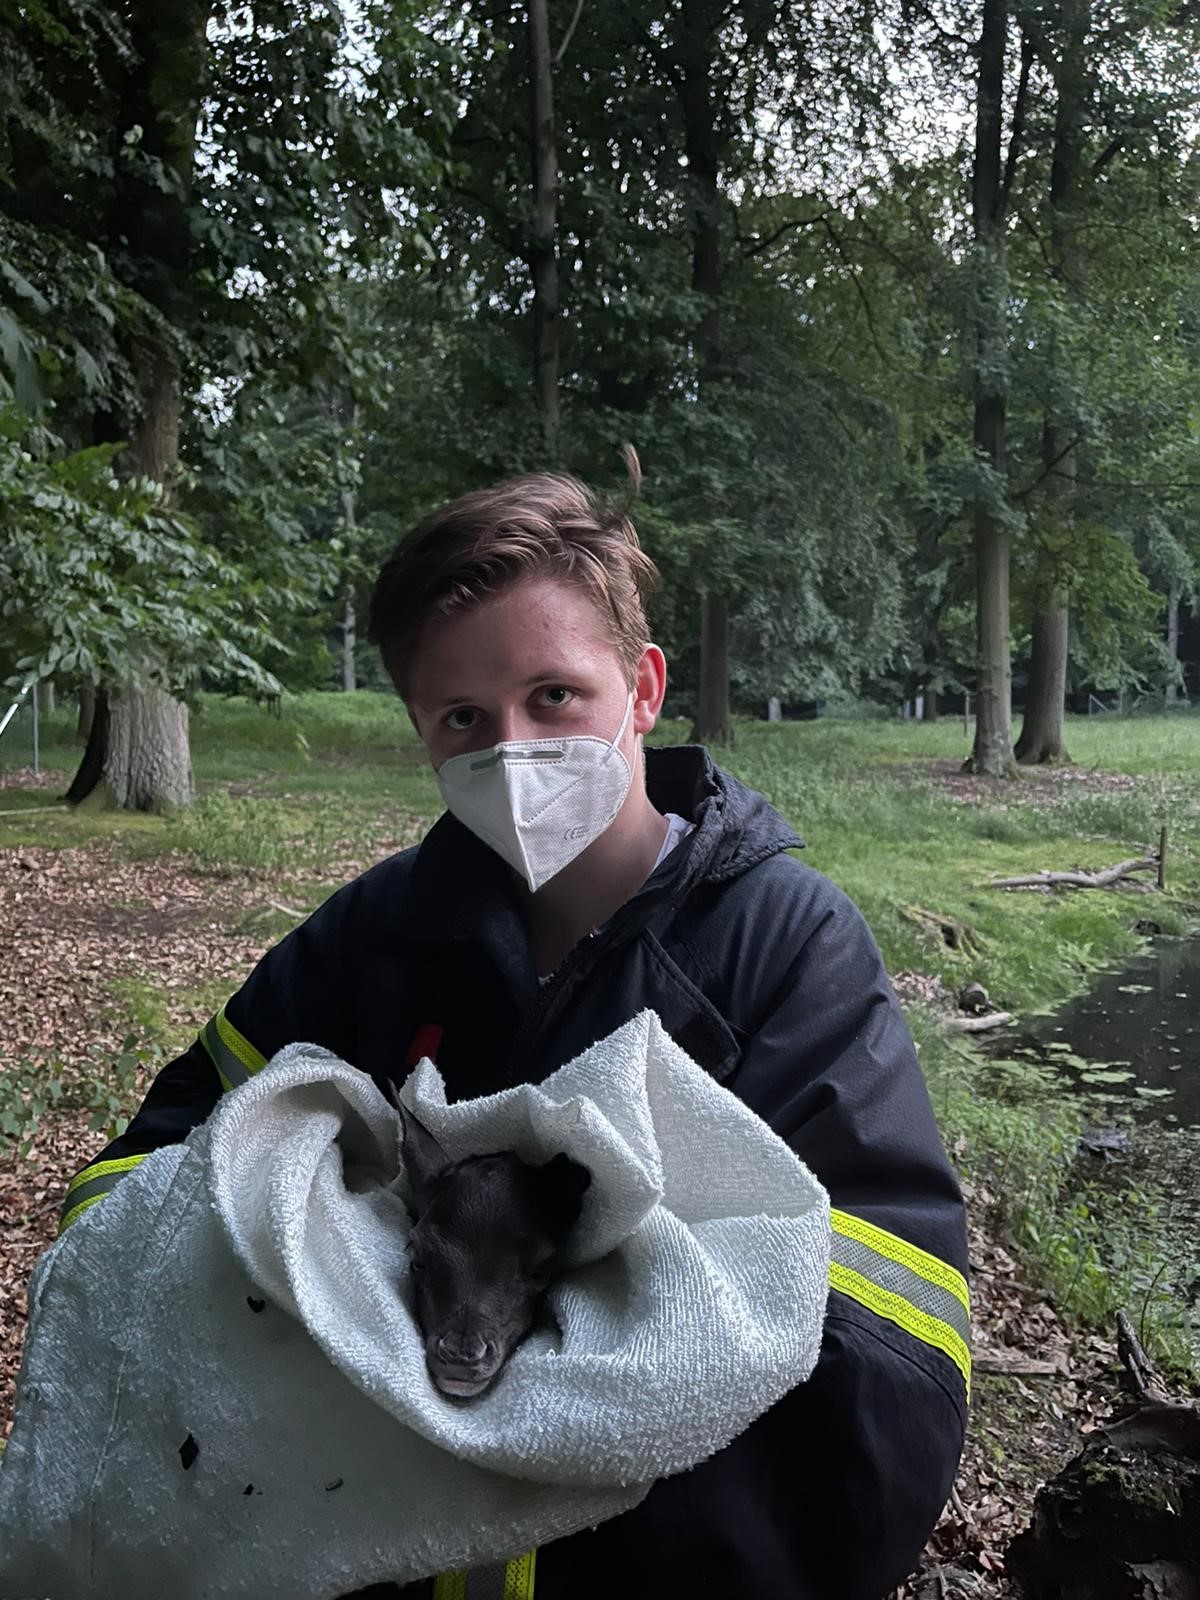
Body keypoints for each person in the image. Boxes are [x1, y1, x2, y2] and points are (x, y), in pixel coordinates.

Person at [61, 463, 970, 1600]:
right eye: (463, 718)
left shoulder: (785, 945)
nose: (513, 748)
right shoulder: (373, 937)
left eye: (554, 695)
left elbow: (891, 1351)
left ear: (642, 689)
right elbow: (150, 1184)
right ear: (421, 733)